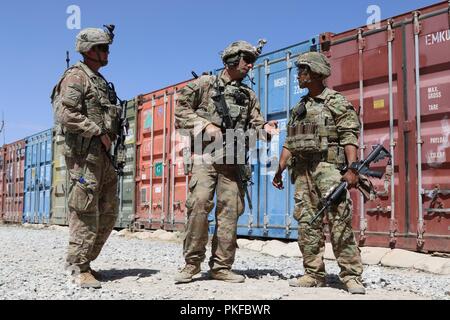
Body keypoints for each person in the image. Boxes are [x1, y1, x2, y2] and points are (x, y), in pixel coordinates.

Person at [174, 40, 279, 283]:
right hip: (205, 157)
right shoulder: (205, 84)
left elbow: (256, 125)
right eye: (246, 60)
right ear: (232, 60)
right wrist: (204, 124)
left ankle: (221, 267)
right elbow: (180, 109)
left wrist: (265, 128)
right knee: (199, 206)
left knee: (230, 213)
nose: (250, 66)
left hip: (232, 161)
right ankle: (191, 264)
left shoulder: (248, 95)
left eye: (252, 61)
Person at [272, 51, 366, 294]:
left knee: (339, 221)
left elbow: (349, 136)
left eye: (302, 70)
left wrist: (353, 169)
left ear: (314, 72)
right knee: (307, 223)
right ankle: (313, 273)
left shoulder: (336, 101)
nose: (298, 75)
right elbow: (289, 142)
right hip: (302, 171)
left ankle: (351, 275)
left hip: (328, 169)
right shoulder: (299, 108)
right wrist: (280, 169)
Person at [51, 25, 121, 289]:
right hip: (85, 155)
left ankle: (86, 261)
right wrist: (97, 131)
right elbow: (65, 114)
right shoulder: (76, 77)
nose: (107, 52)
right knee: (84, 209)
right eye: (103, 48)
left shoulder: (99, 80)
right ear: (90, 51)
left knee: (109, 211)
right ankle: (78, 267)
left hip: (103, 155)